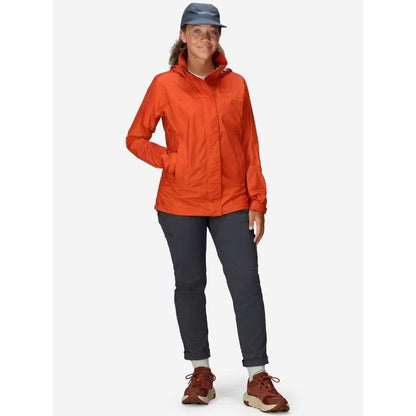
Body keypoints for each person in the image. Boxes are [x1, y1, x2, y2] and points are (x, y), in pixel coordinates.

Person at [125, 2, 289, 412]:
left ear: (219, 38)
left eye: (212, 31)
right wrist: (172, 161)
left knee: (245, 282)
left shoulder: (237, 85)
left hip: (232, 199)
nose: (205, 38)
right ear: (183, 36)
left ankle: (257, 377)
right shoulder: (164, 84)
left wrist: (258, 200)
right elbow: (136, 138)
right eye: (197, 31)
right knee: (190, 284)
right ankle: (201, 372)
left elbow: (250, 145)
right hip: (180, 202)